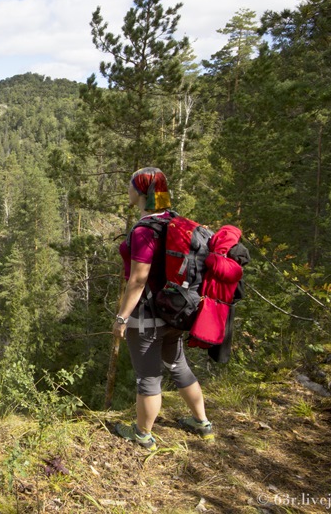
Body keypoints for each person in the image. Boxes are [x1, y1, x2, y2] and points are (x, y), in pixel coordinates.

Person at [112, 167, 213, 451]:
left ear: (141, 192)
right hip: (176, 310)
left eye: (131, 185)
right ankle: (201, 423)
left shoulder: (145, 230)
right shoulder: (176, 222)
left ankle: (142, 434)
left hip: (146, 314)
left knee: (148, 376)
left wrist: (121, 317)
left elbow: (139, 278)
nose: (128, 189)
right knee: (178, 365)